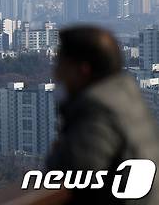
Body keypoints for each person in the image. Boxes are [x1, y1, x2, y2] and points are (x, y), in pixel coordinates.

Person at [47, 26, 159, 204]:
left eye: (61, 65)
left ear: (83, 70)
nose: (56, 73)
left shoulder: (97, 111)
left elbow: (69, 175)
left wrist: (58, 153)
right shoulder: (126, 97)